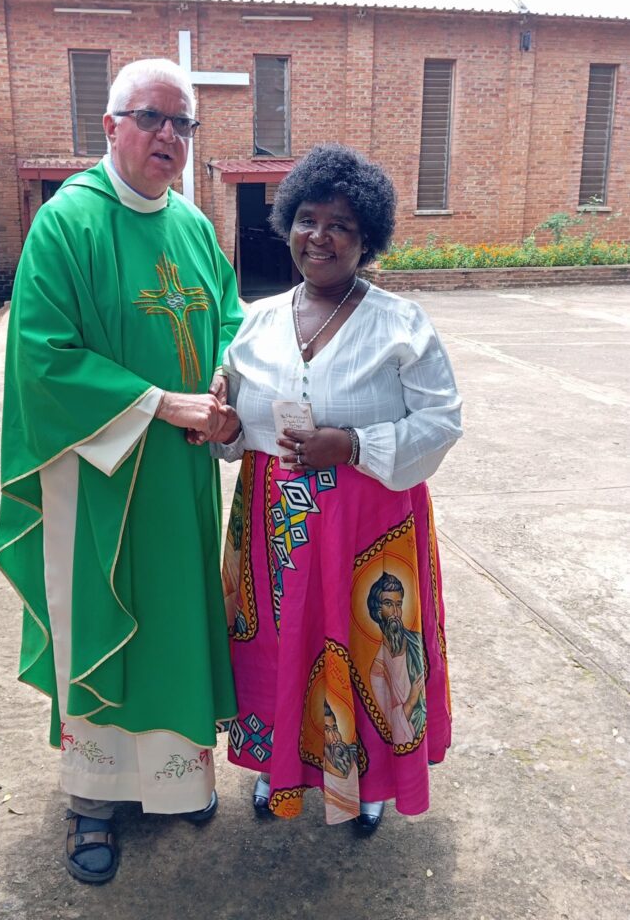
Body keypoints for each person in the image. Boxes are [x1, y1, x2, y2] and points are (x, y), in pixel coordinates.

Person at [0, 58, 242, 884]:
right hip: (99, 476)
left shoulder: (195, 228)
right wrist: (162, 405)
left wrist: (221, 383)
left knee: (175, 621)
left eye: (182, 124)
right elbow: (41, 358)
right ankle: (94, 803)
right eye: (150, 118)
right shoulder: (67, 224)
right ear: (110, 127)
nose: (167, 137)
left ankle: (175, 783)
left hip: (179, 478)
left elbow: (232, 322)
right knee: (107, 622)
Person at [211, 143, 462, 832]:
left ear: (366, 240)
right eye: (308, 219)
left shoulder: (400, 324)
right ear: (287, 223)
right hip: (273, 524)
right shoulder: (255, 322)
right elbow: (237, 430)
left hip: (369, 521)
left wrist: (351, 445)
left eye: (341, 225)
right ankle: (278, 768)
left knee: (366, 647)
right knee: (277, 644)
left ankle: (371, 779)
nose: (319, 237)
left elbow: (442, 420)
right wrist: (222, 421)